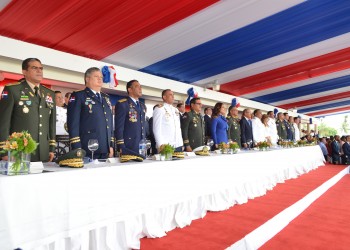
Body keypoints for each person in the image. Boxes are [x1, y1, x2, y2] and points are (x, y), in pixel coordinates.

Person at [0, 58, 56, 162]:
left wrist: (51, 148)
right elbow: (3, 122)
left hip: (43, 152)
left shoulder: (49, 93)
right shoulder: (13, 90)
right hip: (19, 151)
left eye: (41, 68)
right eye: (34, 68)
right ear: (24, 71)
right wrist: (3, 151)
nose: (39, 71)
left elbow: (51, 124)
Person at [67, 67, 114, 159]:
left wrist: (111, 145)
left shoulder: (106, 98)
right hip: (87, 147)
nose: (100, 79)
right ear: (87, 79)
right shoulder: (78, 96)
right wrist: (77, 147)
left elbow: (110, 124)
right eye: (96, 76)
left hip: (105, 148)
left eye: (101, 77)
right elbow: (73, 124)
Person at [114, 80, 146, 156]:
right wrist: (121, 145)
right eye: (137, 86)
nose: (140, 89)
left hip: (141, 146)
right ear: (130, 89)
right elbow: (119, 127)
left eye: (140, 87)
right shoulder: (123, 104)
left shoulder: (142, 106)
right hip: (129, 146)